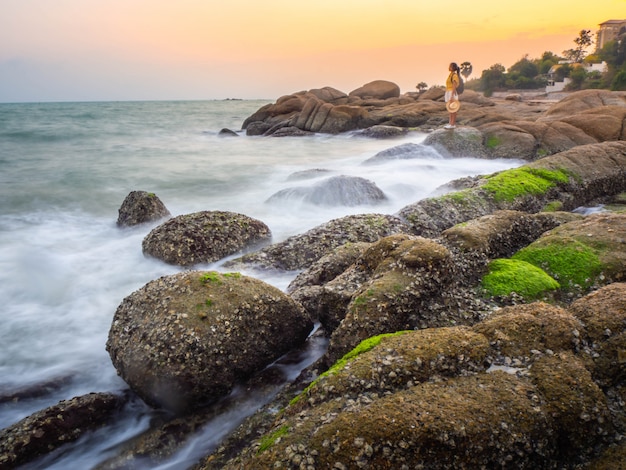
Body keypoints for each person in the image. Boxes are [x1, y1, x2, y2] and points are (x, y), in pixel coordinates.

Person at [444, 62, 460, 129]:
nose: (448, 67)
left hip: (451, 92)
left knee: (453, 109)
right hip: (448, 92)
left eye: (450, 66)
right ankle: (450, 123)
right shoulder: (450, 75)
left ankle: (453, 124)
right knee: (450, 109)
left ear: (452, 67)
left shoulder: (454, 75)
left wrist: (452, 96)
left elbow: (454, 86)